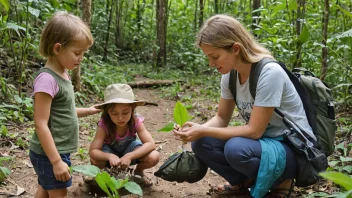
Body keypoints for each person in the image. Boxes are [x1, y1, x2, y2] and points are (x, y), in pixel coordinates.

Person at [173, 14, 317, 198]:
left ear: (235, 49)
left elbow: (254, 131)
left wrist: (203, 130)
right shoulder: (230, 76)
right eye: (208, 57)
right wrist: (194, 131)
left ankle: (283, 181)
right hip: (263, 144)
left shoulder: (269, 73)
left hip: (292, 150)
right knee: (200, 142)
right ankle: (243, 181)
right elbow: (221, 118)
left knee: (236, 148)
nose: (211, 64)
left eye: (215, 56)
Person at [29, 11, 101, 198]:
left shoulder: (63, 74)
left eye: (83, 53)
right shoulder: (47, 80)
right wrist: (56, 161)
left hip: (56, 152)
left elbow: (64, 112)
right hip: (50, 154)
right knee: (58, 193)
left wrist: (90, 110)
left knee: (45, 190)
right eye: (77, 52)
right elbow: (41, 123)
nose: (81, 58)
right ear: (57, 49)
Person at [89, 84, 160, 187]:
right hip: (110, 155)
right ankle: (105, 175)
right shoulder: (104, 124)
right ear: (107, 111)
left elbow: (150, 144)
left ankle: (138, 172)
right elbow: (93, 151)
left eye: (125, 112)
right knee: (94, 160)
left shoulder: (136, 121)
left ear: (132, 109)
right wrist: (109, 156)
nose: (120, 118)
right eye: (114, 113)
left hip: (130, 151)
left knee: (154, 156)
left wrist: (130, 155)